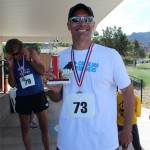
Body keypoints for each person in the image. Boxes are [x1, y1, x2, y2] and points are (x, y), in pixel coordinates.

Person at [46, 3, 135, 150]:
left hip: (104, 142)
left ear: (93, 24)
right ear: (68, 25)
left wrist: (127, 128)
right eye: (75, 19)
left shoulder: (110, 56)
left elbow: (128, 92)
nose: (82, 23)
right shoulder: (59, 58)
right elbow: (57, 97)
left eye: (87, 19)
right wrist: (54, 92)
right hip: (69, 141)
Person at [5, 39, 50, 150]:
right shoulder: (12, 61)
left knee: (44, 127)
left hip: (38, 94)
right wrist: (10, 68)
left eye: (16, 53)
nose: (15, 57)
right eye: (12, 55)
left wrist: (29, 60)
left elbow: (42, 71)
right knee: (25, 129)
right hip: (23, 97)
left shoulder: (31, 53)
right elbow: (13, 84)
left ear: (21, 49)